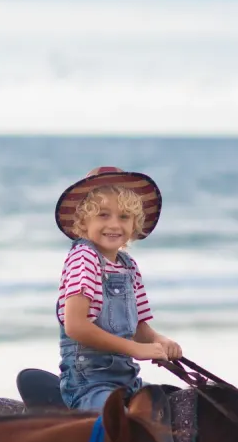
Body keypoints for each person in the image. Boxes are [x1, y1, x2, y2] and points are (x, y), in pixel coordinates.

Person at [55, 167, 183, 411]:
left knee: (174, 408)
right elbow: (75, 326)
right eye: (103, 215)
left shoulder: (128, 266)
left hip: (126, 379)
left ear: (135, 224)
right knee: (122, 425)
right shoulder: (83, 258)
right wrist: (136, 349)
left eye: (124, 217)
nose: (114, 224)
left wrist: (158, 341)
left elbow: (139, 328)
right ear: (83, 221)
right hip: (88, 382)